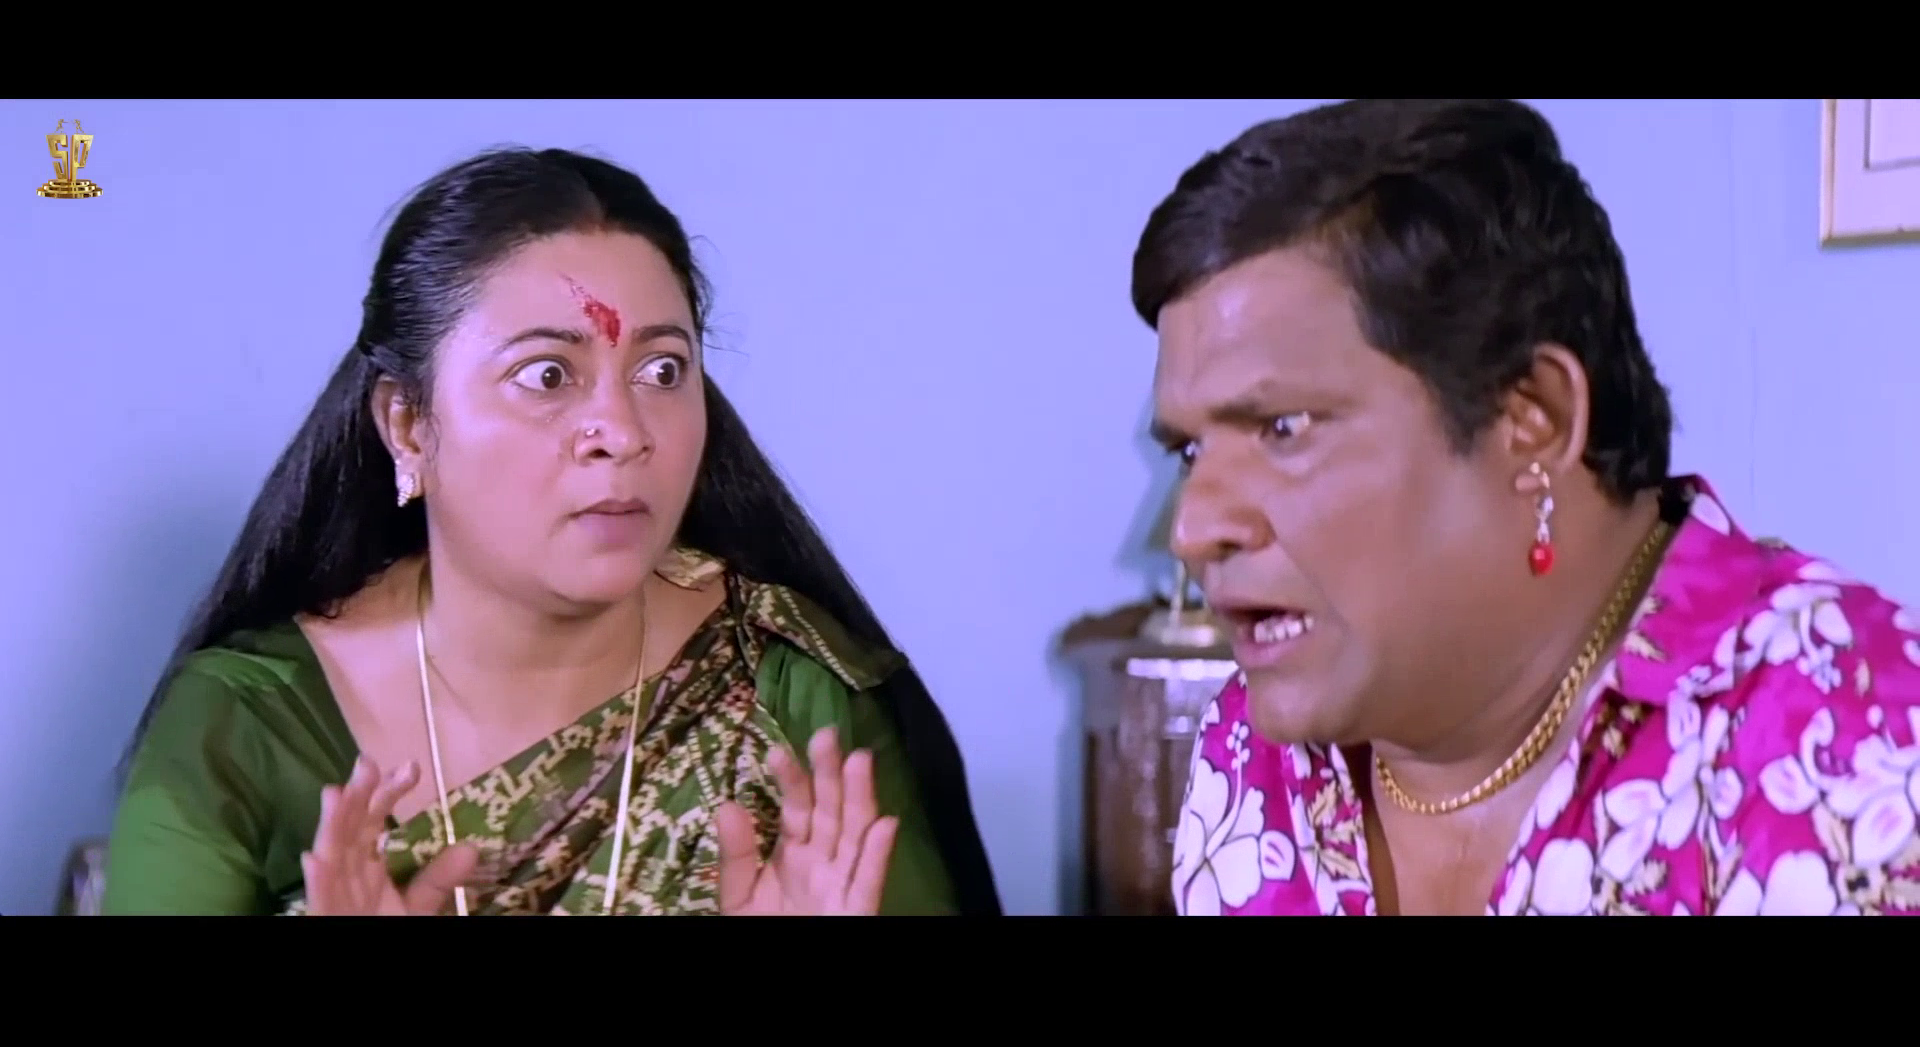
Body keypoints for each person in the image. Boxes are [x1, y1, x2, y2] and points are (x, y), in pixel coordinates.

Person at [104, 147, 1003, 916]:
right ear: (408, 424)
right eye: (546, 375)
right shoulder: (246, 727)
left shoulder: (789, 699)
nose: (623, 430)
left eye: (662, 370)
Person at [1135, 98, 1920, 916]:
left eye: (1282, 428)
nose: (1193, 530)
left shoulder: (1857, 745)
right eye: (1189, 451)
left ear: (1532, 420)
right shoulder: (1249, 752)